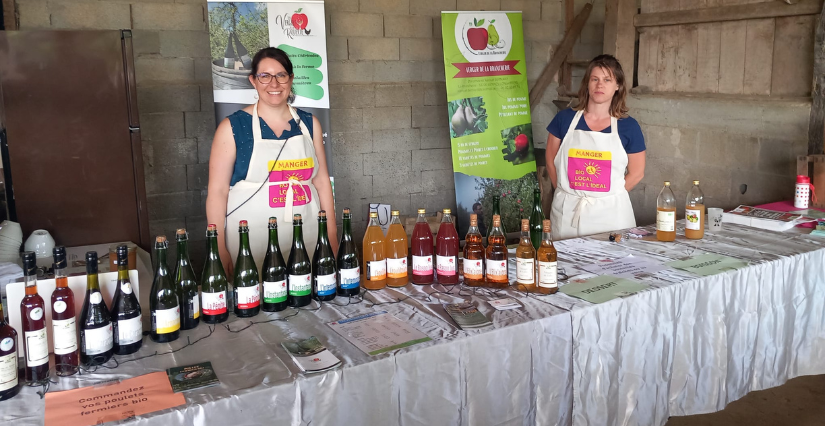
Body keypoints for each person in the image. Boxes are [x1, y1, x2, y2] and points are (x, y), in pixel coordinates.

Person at [206, 47, 337, 276]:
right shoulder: (232, 127)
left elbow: (322, 181)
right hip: (251, 240)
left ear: (291, 79)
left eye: (281, 75)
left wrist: (332, 236)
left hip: (306, 232)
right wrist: (218, 247)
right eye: (265, 76)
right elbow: (217, 191)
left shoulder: (309, 124)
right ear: (253, 81)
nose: (274, 84)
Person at [544, 54, 645, 240]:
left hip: (611, 216)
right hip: (568, 213)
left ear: (618, 86)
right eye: (595, 79)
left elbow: (637, 173)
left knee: (611, 267)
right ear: (587, 84)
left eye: (607, 80)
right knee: (566, 266)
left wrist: (608, 198)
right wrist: (565, 192)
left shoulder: (629, 127)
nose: (600, 85)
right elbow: (550, 161)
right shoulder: (564, 119)